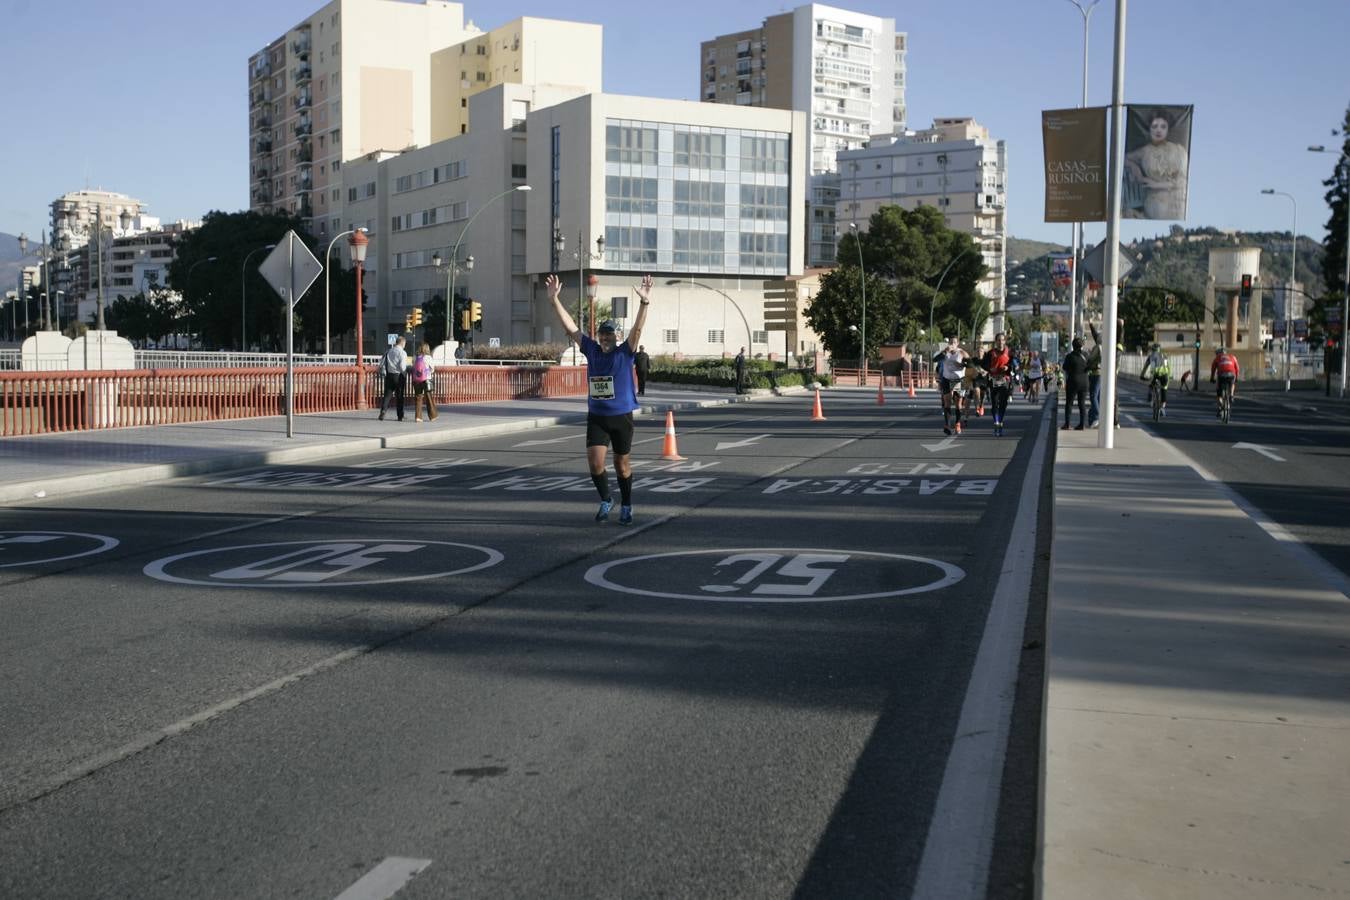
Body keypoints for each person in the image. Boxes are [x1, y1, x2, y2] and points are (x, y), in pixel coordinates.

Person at [546, 272, 652, 526]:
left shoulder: (625, 352)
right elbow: (570, 327)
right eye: (602, 335)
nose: (605, 338)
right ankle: (607, 499)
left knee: (622, 465)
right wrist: (554, 301)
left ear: (616, 337)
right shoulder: (591, 350)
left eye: (609, 335)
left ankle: (626, 503)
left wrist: (645, 303)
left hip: (621, 416)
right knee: (595, 463)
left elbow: (637, 329)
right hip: (597, 416)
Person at [1123, 109, 1189, 220]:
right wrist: (1134, 166)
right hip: (1155, 202)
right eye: (1154, 126)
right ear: (1149, 129)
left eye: (1163, 127)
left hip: (1176, 203)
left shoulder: (1178, 151)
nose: (1158, 130)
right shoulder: (1145, 151)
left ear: (1168, 129)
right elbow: (1124, 158)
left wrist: (1157, 184)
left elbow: (1183, 181)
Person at [981, 332, 1017, 437]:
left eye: (1002, 340)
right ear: (995, 342)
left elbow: (1013, 364)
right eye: (998, 340)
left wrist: (1008, 367)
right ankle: (996, 422)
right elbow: (984, 364)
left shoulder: (1009, 352)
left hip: (1005, 379)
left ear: (1004, 341)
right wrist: (989, 368)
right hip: (994, 380)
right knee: (994, 404)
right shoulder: (990, 353)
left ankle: (1000, 422)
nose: (1000, 342)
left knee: (1003, 404)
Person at [933, 335, 970, 435]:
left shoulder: (961, 353)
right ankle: (947, 425)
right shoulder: (945, 353)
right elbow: (935, 360)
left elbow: (971, 364)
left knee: (958, 404)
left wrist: (962, 365)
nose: (952, 344)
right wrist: (945, 352)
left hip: (959, 380)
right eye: (950, 342)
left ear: (957, 344)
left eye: (954, 342)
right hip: (946, 379)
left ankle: (957, 423)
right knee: (947, 402)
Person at [377, 335, 408, 422]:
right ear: (402, 343)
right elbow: (402, 367)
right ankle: (400, 416)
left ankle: (383, 411)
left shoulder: (389, 351)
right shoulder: (402, 352)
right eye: (405, 343)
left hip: (389, 375)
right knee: (399, 396)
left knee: (387, 395)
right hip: (398, 376)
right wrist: (405, 373)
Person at [1062, 337, 1089, 430]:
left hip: (1073, 381)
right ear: (1082, 346)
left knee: (1069, 403)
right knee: (1082, 404)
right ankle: (1082, 424)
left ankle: (1067, 424)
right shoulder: (1086, 355)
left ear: (1073, 346)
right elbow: (1089, 366)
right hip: (1084, 382)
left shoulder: (1069, 356)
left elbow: (1065, 367)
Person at [1140, 342, 1171, 415]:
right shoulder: (1165, 356)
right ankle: (1162, 408)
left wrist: (1142, 376)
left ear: (1152, 350)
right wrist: (1169, 376)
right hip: (1165, 375)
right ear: (1159, 349)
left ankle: (1150, 397)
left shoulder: (1151, 356)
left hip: (1155, 374)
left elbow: (1145, 367)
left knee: (1151, 385)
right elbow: (1168, 368)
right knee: (1164, 390)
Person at [410, 341, 437, 422]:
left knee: (418, 397)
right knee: (428, 397)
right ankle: (432, 416)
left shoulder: (415, 357)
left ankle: (418, 417)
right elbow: (432, 369)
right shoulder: (428, 357)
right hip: (426, 380)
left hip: (416, 380)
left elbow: (413, 367)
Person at [1210, 346, 1240, 417]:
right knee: (1233, 383)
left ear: (1218, 353)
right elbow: (1237, 368)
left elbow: (1213, 369)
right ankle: (1231, 396)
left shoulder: (1217, 358)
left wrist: (1211, 378)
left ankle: (1220, 406)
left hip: (1221, 375)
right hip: (1231, 374)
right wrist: (1237, 377)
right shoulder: (1232, 356)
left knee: (1218, 392)